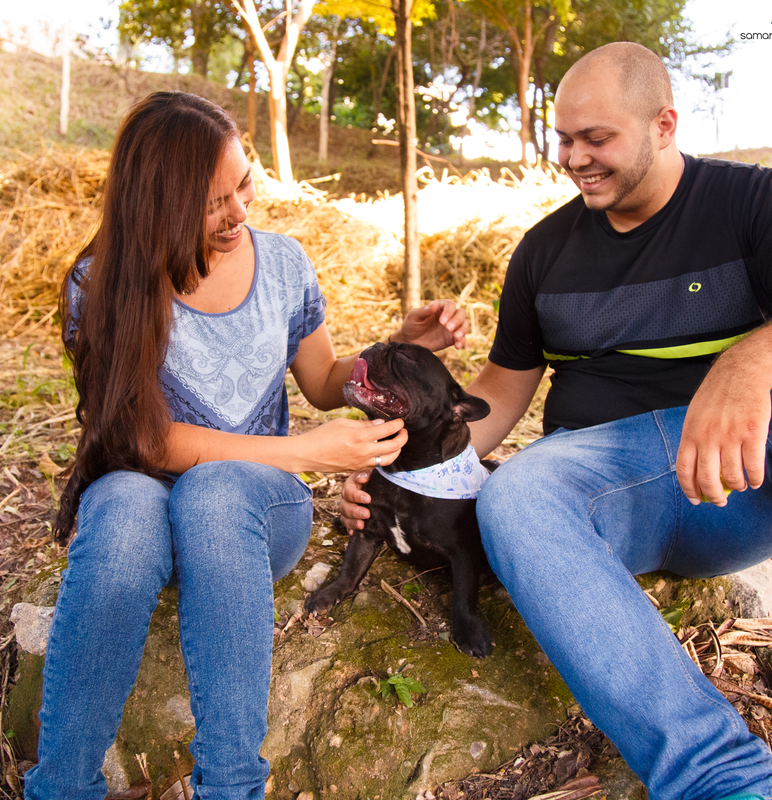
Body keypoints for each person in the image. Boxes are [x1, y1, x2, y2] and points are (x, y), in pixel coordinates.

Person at [341, 43, 772, 800]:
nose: (574, 158)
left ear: (663, 124)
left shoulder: (752, 201)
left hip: (737, 480)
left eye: (597, 139)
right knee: (515, 496)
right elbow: (500, 394)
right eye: (564, 139)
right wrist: (392, 473)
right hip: (604, 483)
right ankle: (721, 778)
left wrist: (745, 367)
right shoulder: (544, 252)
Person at [24, 91, 468, 800]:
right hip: (148, 488)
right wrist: (308, 453)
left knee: (215, 490)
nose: (238, 213)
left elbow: (323, 381)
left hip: (252, 511)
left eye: (244, 186)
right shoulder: (102, 282)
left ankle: (231, 788)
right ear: (154, 207)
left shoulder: (284, 264)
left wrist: (400, 350)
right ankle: (61, 789)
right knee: (122, 514)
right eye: (211, 203)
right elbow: (146, 439)